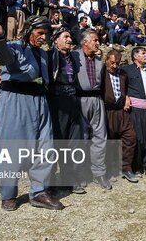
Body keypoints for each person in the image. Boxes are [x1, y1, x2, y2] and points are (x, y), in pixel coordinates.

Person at [0, 16, 64, 211]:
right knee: (13, 149)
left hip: (40, 102)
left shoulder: (43, 55)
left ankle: (39, 192)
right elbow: (3, 56)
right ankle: (8, 194)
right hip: (16, 101)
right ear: (29, 30)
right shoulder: (15, 47)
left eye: (46, 33)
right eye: (40, 33)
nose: (43, 37)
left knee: (45, 147)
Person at [71, 30, 112, 190]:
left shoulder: (99, 61)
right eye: (95, 40)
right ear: (84, 42)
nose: (98, 43)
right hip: (79, 100)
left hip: (97, 101)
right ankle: (78, 174)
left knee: (100, 137)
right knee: (80, 139)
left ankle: (99, 173)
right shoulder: (74, 56)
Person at [47, 27, 85, 193]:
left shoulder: (72, 57)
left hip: (73, 101)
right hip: (57, 103)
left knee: (74, 142)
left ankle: (71, 178)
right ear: (56, 40)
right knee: (58, 142)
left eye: (70, 37)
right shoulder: (49, 57)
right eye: (66, 37)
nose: (70, 40)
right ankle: (51, 181)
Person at [121, 47, 146, 179]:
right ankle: (136, 166)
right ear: (135, 56)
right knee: (138, 139)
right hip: (135, 110)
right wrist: (125, 97)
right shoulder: (127, 69)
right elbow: (121, 85)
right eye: (143, 53)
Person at [101, 49, 138, 183]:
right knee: (108, 140)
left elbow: (126, 88)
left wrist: (127, 97)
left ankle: (126, 167)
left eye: (117, 63)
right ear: (106, 60)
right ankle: (108, 169)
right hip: (107, 110)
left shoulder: (123, 74)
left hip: (122, 111)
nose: (115, 66)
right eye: (112, 63)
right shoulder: (102, 73)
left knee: (130, 136)